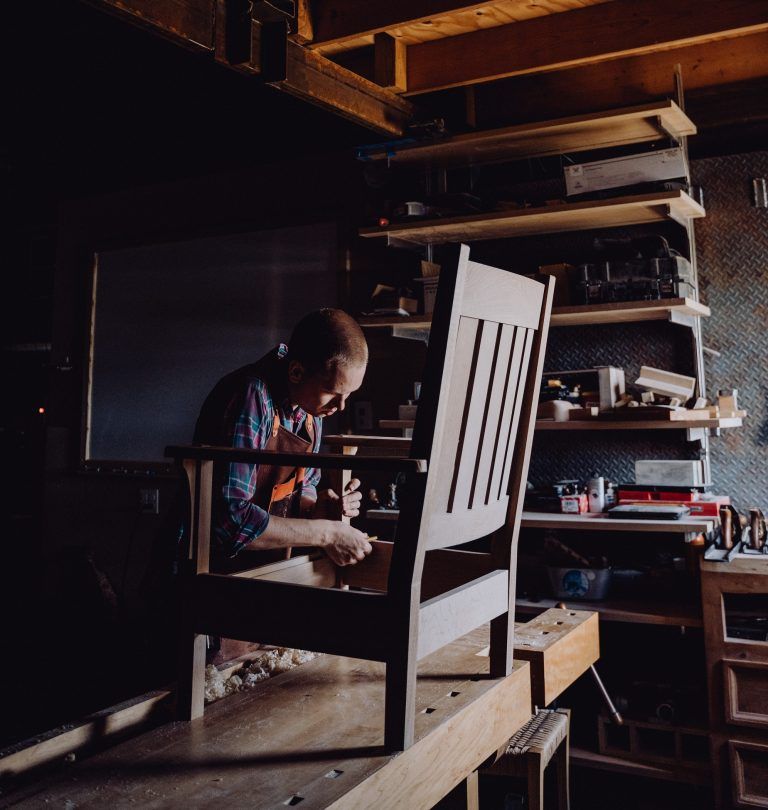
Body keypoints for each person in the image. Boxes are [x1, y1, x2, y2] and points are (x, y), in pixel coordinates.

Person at [194, 308, 373, 570]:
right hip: (209, 570)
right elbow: (230, 522)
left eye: (349, 395)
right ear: (296, 372)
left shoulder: (311, 407)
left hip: (264, 569)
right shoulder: (252, 396)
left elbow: (305, 486)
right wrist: (327, 533)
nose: (341, 406)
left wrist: (316, 509)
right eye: (333, 393)